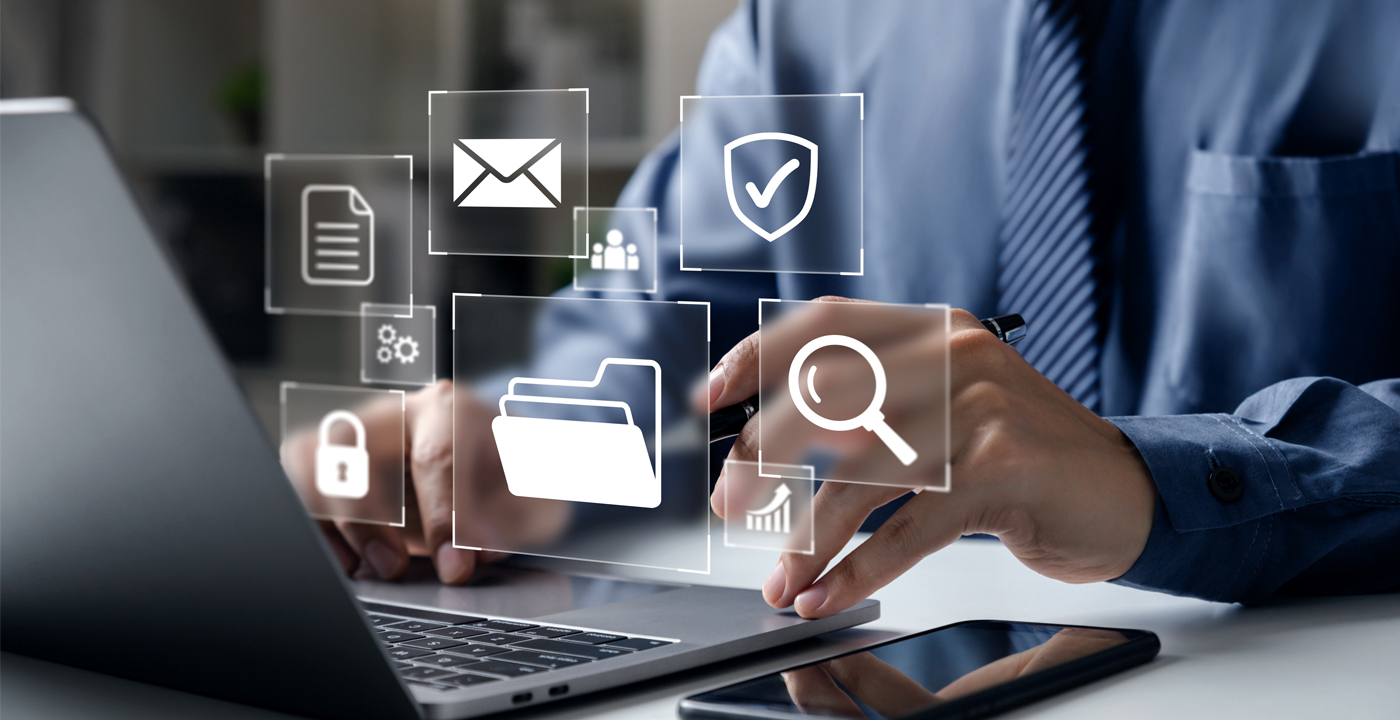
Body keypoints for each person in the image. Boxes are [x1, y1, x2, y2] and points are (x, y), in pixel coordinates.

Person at [295, 0, 1400, 610]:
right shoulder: (803, 29)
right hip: (872, 680)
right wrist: (502, 447)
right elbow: (658, 342)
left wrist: (1147, 476)